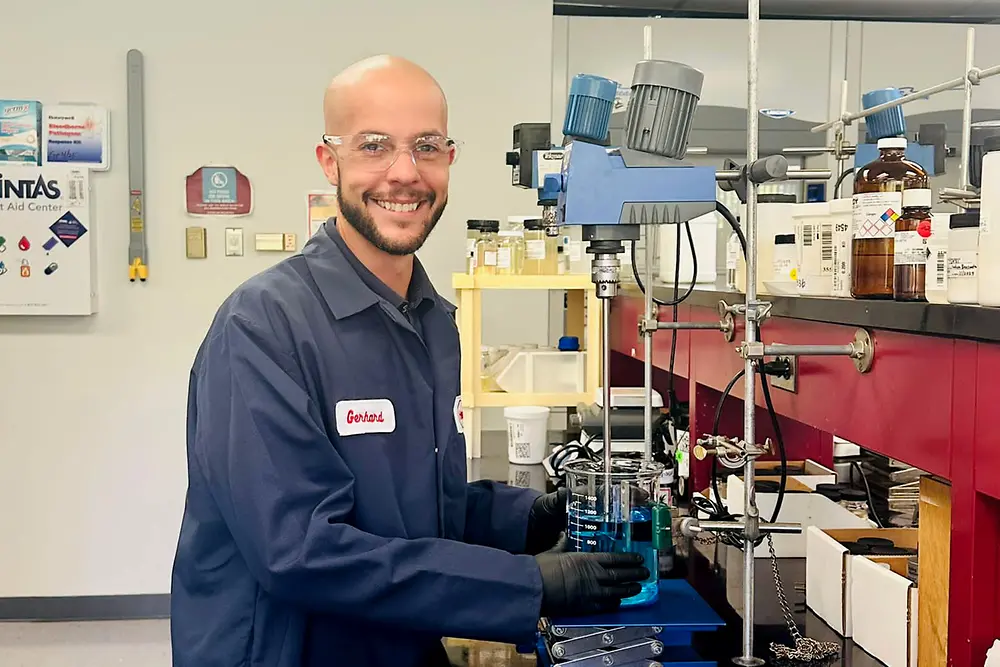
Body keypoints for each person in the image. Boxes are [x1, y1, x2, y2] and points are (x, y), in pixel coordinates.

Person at [169, 54, 649, 667]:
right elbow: (299, 551)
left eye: (426, 146)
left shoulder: (432, 322)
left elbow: (417, 505)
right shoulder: (262, 328)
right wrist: (531, 585)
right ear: (329, 161)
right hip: (286, 650)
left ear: (450, 159)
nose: (405, 173)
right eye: (374, 146)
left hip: (400, 640)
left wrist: (530, 517)